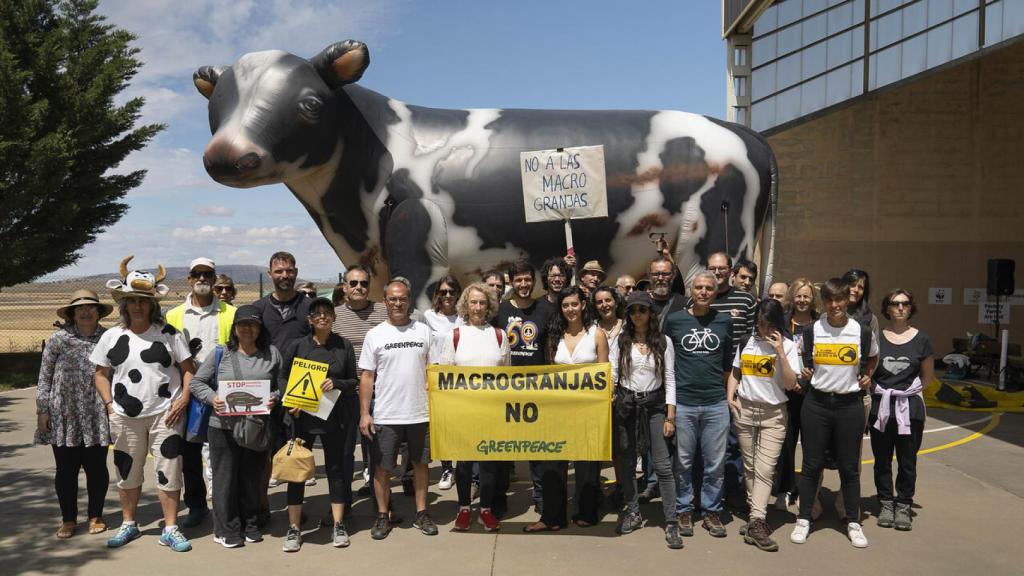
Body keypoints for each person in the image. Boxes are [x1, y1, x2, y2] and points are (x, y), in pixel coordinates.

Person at [92, 260, 196, 552]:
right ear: (124, 303)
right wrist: (110, 406)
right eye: (133, 300)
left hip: (166, 414)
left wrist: (184, 398)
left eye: (144, 301)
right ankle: (129, 524)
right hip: (125, 415)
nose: (138, 306)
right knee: (127, 470)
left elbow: (188, 369)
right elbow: (100, 374)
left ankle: (171, 528)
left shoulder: (170, 334)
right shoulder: (112, 336)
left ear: (153, 304)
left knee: (170, 469)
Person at [790, 278, 878, 549]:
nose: (835, 305)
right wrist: (806, 370)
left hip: (849, 405)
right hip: (816, 404)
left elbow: (874, 356)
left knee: (850, 468)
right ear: (824, 302)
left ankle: (853, 521)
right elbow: (804, 360)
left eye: (839, 299)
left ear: (847, 299)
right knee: (811, 465)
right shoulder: (813, 330)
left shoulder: (861, 331)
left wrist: (868, 375)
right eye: (829, 300)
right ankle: (804, 518)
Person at [189, 305, 281, 547]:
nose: (248, 329)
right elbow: (197, 383)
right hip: (222, 427)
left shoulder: (272, 353)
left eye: (253, 324)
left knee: (251, 478)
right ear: (235, 328)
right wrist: (213, 399)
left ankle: (250, 524)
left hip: (256, 427)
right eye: (243, 324)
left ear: (260, 328)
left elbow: (282, 385)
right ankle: (226, 529)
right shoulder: (221, 353)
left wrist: (275, 397)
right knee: (225, 480)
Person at [524, 286, 609, 532]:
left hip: (588, 409)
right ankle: (551, 517)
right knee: (552, 463)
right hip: (558, 409)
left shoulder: (597, 334)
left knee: (586, 464)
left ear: (583, 305)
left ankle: (586, 512)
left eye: (574, 304)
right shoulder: (554, 336)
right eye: (565, 305)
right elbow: (549, 371)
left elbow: (605, 373)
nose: (570, 309)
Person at [278, 298, 359, 551]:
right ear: (310, 319)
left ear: (334, 317)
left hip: (334, 419)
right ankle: (294, 528)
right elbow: (283, 376)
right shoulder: (297, 345)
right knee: (297, 471)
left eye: (327, 313)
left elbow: (353, 380)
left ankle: (338, 524)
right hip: (302, 419)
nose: (322, 317)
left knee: (335, 470)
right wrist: (289, 401)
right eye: (317, 314)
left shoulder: (343, 345)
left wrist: (337, 383)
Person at [359, 279, 438, 540]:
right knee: (383, 468)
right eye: (392, 299)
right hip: (386, 414)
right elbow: (367, 376)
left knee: (421, 465)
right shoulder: (375, 334)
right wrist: (365, 413)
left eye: (402, 298)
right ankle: (383, 515)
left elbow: (434, 369)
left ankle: (422, 513)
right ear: (385, 301)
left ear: (409, 301)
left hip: (420, 412)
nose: (397, 303)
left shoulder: (423, 331)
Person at [165, 257, 237, 529]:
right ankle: (196, 505)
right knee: (190, 453)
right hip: (187, 393)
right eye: (197, 274)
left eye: (208, 274)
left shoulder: (230, 313)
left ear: (215, 278)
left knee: (225, 451)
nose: (202, 279)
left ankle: (227, 504)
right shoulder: (173, 316)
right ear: (189, 279)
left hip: (221, 393)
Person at [36, 289, 113, 539]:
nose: (85, 311)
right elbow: (45, 376)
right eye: (80, 308)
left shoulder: (109, 338)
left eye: (91, 307)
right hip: (63, 414)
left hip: (96, 413)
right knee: (66, 470)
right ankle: (68, 519)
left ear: (99, 312)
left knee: (97, 468)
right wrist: (42, 410)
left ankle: (96, 515)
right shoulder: (59, 339)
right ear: (72, 313)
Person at [665, 271, 733, 539]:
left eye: (709, 288)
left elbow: (727, 364)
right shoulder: (675, 320)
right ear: (691, 291)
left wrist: (722, 393)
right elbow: (667, 361)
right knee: (683, 462)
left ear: (716, 292)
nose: (703, 292)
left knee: (715, 464)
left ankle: (711, 511)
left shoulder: (724, 321)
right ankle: (684, 509)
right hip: (684, 403)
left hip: (716, 403)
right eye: (699, 287)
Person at [726, 299, 799, 551]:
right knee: (749, 466)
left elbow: (790, 384)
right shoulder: (747, 341)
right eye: (760, 324)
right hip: (745, 410)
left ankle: (757, 520)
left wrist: (780, 353)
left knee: (765, 469)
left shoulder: (787, 346)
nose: (764, 330)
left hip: (774, 414)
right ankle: (755, 518)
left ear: (778, 323)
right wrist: (730, 396)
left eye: (769, 325)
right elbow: (736, 372)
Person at [439, 283, 511, 531]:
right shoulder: (455, 336)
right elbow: (445, 375)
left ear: (489, 306)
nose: (478, 307)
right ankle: (464, 509)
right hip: (463, 411)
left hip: (491, 411)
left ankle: (486, 510)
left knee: (488, 463)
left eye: (482, 302)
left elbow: (507, 377)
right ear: (465, 305)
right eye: (473, 302)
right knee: (465, 462)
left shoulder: (499, 336)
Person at [610, 291, 680, 548]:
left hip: (655, 406)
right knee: (627, 463)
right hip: (627, 405)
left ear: (651, 312)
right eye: (632, 310)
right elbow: (613, 375)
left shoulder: (663, 341)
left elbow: (670, 379)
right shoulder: (621, 341)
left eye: (642, 309)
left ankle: (671, 520)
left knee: (662, 465)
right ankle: (633, 512)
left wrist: (670, 416)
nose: (637, 314)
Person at [492, 260, 555, 512]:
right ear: (512, 282)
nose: (524, 284)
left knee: (537, 447)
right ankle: (498, 498)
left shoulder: (545, 309)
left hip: (537, 389)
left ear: (534, 281)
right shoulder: (500, 310)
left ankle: (540, 497)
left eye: (527, 279)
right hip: (505, 389)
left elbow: (552, 348)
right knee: (503, 447)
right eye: (518, 280)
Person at [871, 289, 932, 532]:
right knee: (882, 459)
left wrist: (908, 393)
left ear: (910, 308)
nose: (900, 308)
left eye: (905, 304)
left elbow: (927, 377)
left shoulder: (922, 340)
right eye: (895, 303)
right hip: (882, 408)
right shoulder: (877, 338)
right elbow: (869, 371)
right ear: (887, 308)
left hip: (910, 409)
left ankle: (904, 503)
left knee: (907, 460)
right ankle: (886, 502)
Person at [704, 251, 757, 509]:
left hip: (738, 379)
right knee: (709, 441)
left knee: (736, 440)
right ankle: (709, 494)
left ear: (730, 271)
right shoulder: (702, 297)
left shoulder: (746, 300)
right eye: (712, 268)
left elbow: (753, 340)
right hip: (709, 379)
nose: (717, 273)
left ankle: (735, 493)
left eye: (722, 268)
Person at [331, 265, 388, 498]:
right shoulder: (334, 315)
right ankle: (342, 503)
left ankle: (379, 501)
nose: (359, 287)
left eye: (364, 283)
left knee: (377, 451)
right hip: (344, 393)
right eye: (353, 283)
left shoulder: (383, 312)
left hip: (377, 392)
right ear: (344, 287)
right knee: (344, 451)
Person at [772, 278, 821, 509]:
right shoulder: (782, 323)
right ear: (793, 297)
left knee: (812, 444)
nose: (802, 300)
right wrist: (793, 382)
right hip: (788, 390)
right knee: (787, 443)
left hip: (813, 391)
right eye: (798, 296)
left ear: (813, 299)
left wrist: (806, 382)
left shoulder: (820, 324)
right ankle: (786, 488)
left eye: (806, 296)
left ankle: (810, 491)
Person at [422, 275, 463, 490]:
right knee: (442, 425)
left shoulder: (465, 316)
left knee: (460, 423)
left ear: (458, 294)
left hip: (461, 377)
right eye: (443, 291)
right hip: (438, 377)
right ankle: (447, 468)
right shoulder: (428, 316)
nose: (447, 295)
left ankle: (464, 466)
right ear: (437, 294)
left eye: (451, 291)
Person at [251, 252, 311, 350]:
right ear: (270, 274)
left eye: (289, 271)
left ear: (296, 272)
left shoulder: (310, 307)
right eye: (279, 271)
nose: (285, 275)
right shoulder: (258, 308)